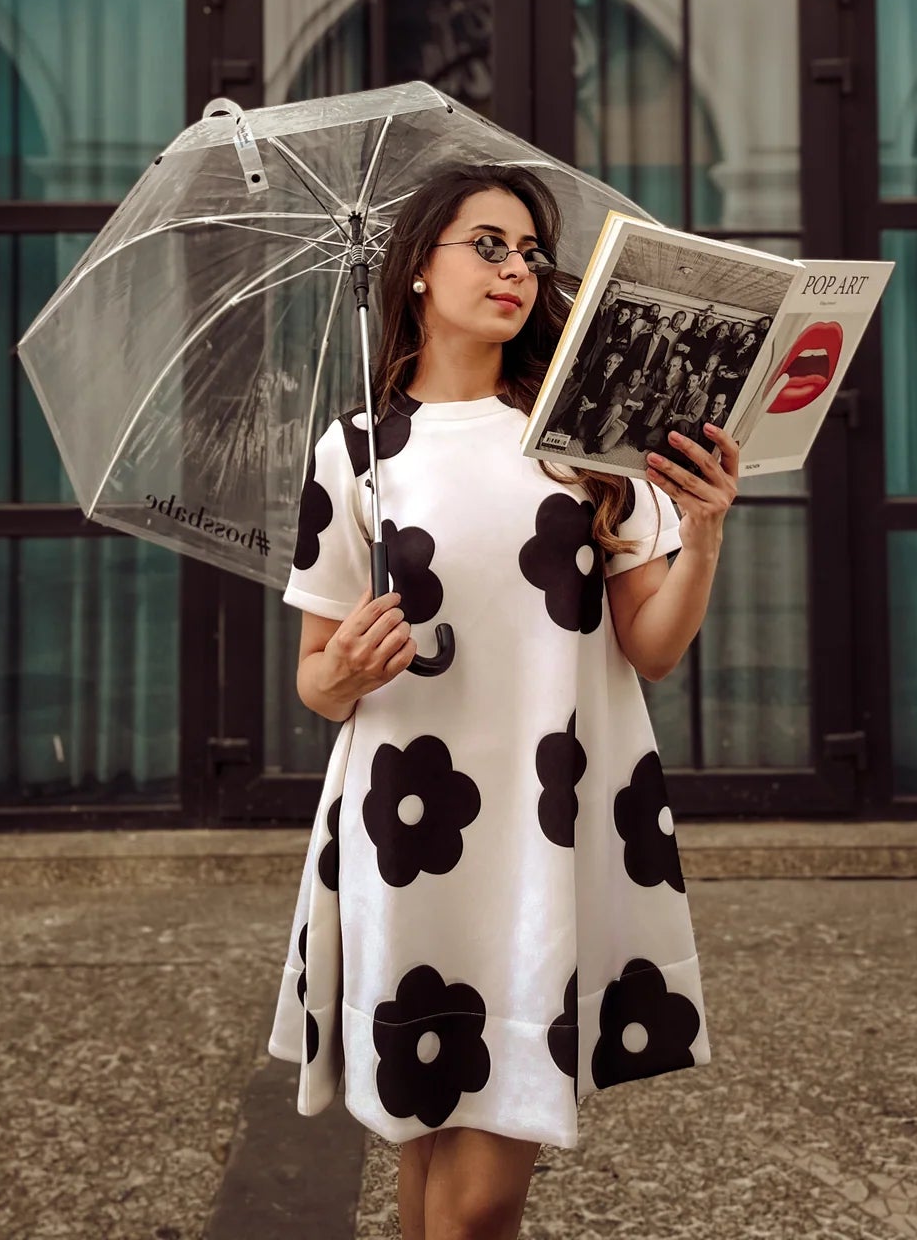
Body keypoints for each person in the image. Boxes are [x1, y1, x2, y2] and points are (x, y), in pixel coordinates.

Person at [267, 162, 738, 1240]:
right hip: (409, 833)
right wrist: (351, 667)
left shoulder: (588, 439)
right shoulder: (356, 453)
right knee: (424, 1153)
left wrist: (703, 535)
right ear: (418, 272)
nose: (517, 268)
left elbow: (651, 648)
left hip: (546, 827)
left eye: (531, 252)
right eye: (488, 244)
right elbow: (313, 676)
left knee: (479, 1200)